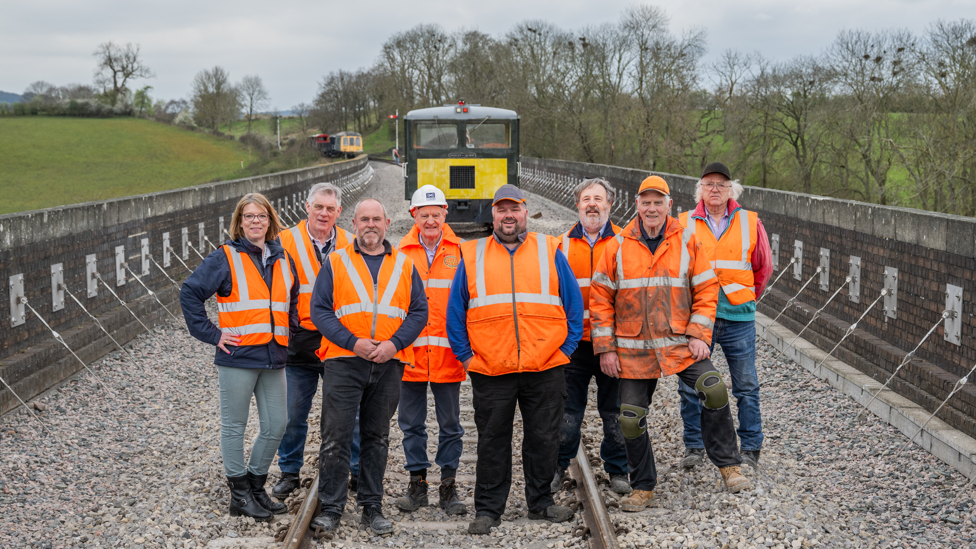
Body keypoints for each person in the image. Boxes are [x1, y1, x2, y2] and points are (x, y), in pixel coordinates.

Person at [589, 176, 752, 513]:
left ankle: (728, 465)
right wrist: (605, 348)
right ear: (637, 205)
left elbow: (707, 291)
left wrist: (698, 334)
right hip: (634, 351)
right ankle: (643, 486)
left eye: (657, 202)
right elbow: (600, 300)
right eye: (645, 202)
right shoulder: (616, 246)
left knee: (715, 388)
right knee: (631, 418)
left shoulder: (688, 241)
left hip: (679, 344)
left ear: (668, 206)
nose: (651, 208)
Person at [447, 184, 584, 535]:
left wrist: (565, 351)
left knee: (543, 438)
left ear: (526, 212)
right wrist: (466, 357)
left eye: (515, 209)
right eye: (501, 210)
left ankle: (541, 503)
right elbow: (455, 311)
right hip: (492, 369)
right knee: (493, 440)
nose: (509, 215)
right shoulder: (472, 255)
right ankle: (489, 510)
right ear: (492, 215)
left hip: (546, 366)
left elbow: (573, 305)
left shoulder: (548, 250)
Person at [308, 198, 428, 537]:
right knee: (336, 436)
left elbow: (419, 312)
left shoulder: (404, 264)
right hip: (345, 361)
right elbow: (320, 311)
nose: (371, 224)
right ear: (354, 224)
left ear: (387, 223)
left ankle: (371, 507)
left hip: (389, 363)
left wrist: (393, 345)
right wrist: (353, 342)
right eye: (364, 219)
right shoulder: (336, 262)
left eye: (377, 219)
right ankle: (331, 508)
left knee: (377, 436)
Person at [180, 193, 299, 521]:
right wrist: (214, 334)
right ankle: (240, 495)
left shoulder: (282, 256)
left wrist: (292, 330)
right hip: (238, 356)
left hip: (274, 355)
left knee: (277, 424)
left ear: (270, 220)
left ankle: (257, 486)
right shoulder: (225, 257)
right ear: (240, 222)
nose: (256, 221)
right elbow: (190, 292)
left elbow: (292, 300)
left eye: (261, 216)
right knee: (234, 426)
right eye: (249, 217)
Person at [677, 162, 772, 471]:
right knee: (690, 384)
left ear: (732, 189)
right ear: (699, 189)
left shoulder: (749, 221)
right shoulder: (683, 223)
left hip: (738, 316)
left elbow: (763, 267)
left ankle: (751, 447)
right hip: (696, 318)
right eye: (708, 184)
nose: (714, 189)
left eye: (721, 184)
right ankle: (694, 445)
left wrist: (746, 298)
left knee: (745, 383)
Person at [272, 182, 364, 499]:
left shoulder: (352, 244)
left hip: (340, 343)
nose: (324, 213)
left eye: (330, 209)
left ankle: (356, 470)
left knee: (348, 413)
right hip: (299, 344)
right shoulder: (284, 242)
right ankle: (288, 472)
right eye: (319, 207)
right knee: (293, 414)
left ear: (339, 212)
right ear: (307, 207)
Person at [553, 178, 630, 495]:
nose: (592, 204)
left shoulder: (627, 243)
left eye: (598, 198)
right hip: (574, 345)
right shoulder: (561, 245)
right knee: (568, 411)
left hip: (613, 343)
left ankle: (618, 470)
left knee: (614, 410)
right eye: (587, 198)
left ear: (610, 204)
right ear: (578, 204)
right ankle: (557, 466)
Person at [395, 185, 467, 515]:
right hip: (409, 358)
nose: (430, 220)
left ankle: (449, 487)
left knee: (450, 424)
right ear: (414, 216)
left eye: (436, 214)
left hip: (447, 356)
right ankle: (417, 484)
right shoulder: (399, 253)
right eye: (424, 215)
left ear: (445, 214)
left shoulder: (463, 252)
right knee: (412, 425)